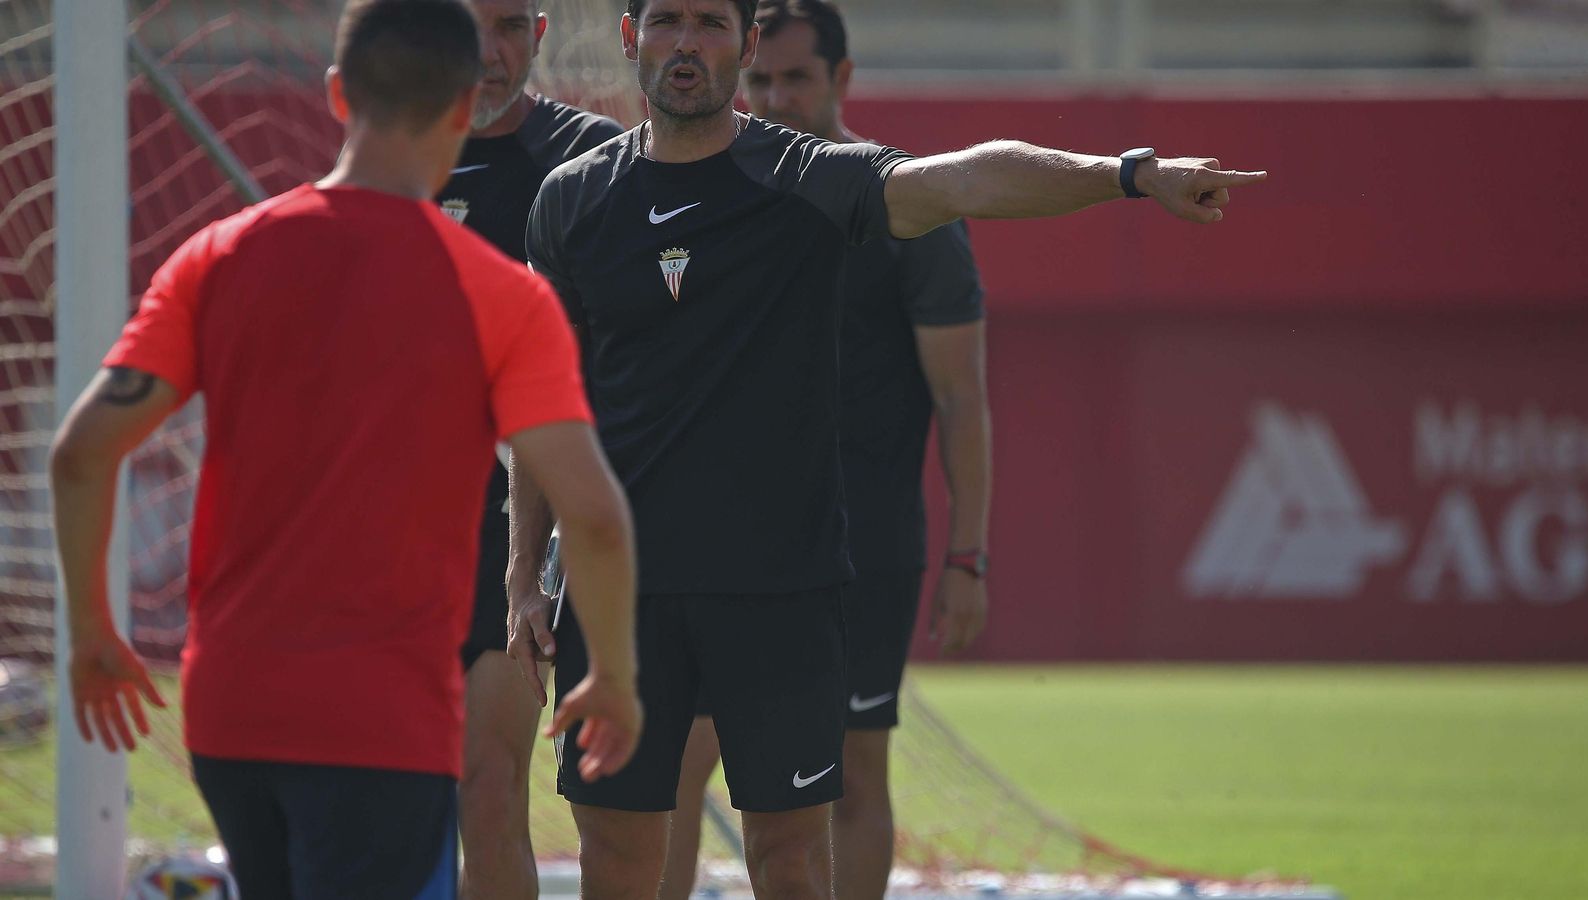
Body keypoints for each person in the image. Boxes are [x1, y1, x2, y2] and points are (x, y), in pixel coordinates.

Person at [515, 1, 1265, 897]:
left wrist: (1133, 173)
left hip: (782, 592)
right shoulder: (571, 199)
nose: (688, 43)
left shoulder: (807, 180)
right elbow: (544, 408)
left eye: (713, 22)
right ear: (630, 36)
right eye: (667, 19)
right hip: (618, 595)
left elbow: (969, 182)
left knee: (790, 856)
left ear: (746, 45)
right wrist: (525, 572)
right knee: (620, 855)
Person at [50, 1, 641, 896]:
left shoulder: (219, 254)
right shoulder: (503, 296)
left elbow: (81, 453)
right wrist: (618, 677)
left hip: (231, 707)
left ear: (333, 96)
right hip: (383, 715)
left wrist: (94, 631)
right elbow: (594, 516)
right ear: (458, 109)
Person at [659, 2, 990, 897]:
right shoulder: (703, 193)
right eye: (762, 78)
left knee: (848, 770)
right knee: (676, 765)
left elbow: (961, 396)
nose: (775, 97)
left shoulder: (901, 205)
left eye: (796, 79)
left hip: (860, 547)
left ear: (841, 81)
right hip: (716, 541)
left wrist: (969, 554)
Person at [435, 1, 626, 896]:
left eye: (509, 24)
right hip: (396, 526)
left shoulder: (591, 163)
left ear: (541, 33)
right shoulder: (388, 165)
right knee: (387, 796)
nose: (488, 51)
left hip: (519, 520)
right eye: (466, 25)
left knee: (488, 786)